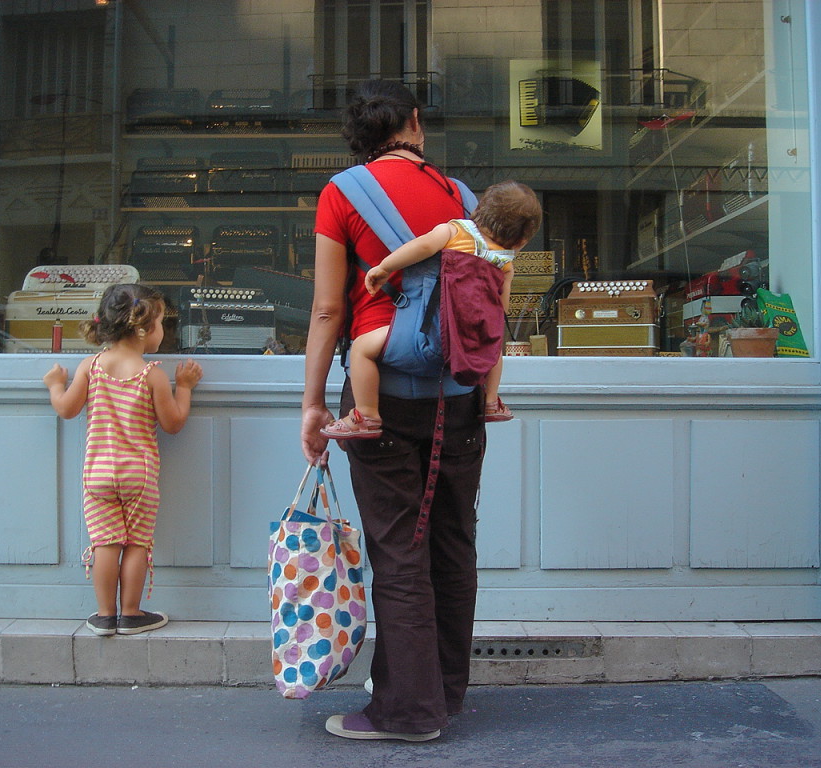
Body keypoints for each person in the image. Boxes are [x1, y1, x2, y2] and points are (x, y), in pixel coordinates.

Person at [301, 79, 486, 741]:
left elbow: (328, 309)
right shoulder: (463, 199)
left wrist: (313, 403)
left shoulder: (341, 193)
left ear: (360, 137)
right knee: (452, 542)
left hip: (380, 396)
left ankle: (410, 712)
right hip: (460, 397)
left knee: (399, 550)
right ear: (415, 121)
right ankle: (445, 693)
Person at [319, 179, 542, 439]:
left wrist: (384, 268)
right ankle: (490, 401)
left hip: (430, 335)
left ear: (478, 212)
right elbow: (500, 310)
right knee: (494, 348)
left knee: (361, 349)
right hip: (471, 347)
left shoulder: (456, 231)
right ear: (522, 241)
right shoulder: (505, 265)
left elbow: (422, 247)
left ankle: (366, 414)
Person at [43, 283, 203, 637]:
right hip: (139, 476)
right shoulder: (153, 375)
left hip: (97, 474)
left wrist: (55, 384)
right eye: (162, 323)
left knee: (105, 543)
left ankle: (104, 616)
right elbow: (173, 423)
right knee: (136, 543)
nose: (164, 332)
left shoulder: (91, 366)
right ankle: (130, 614)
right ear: (144, 328)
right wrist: (186, 387)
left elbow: (67, 410)